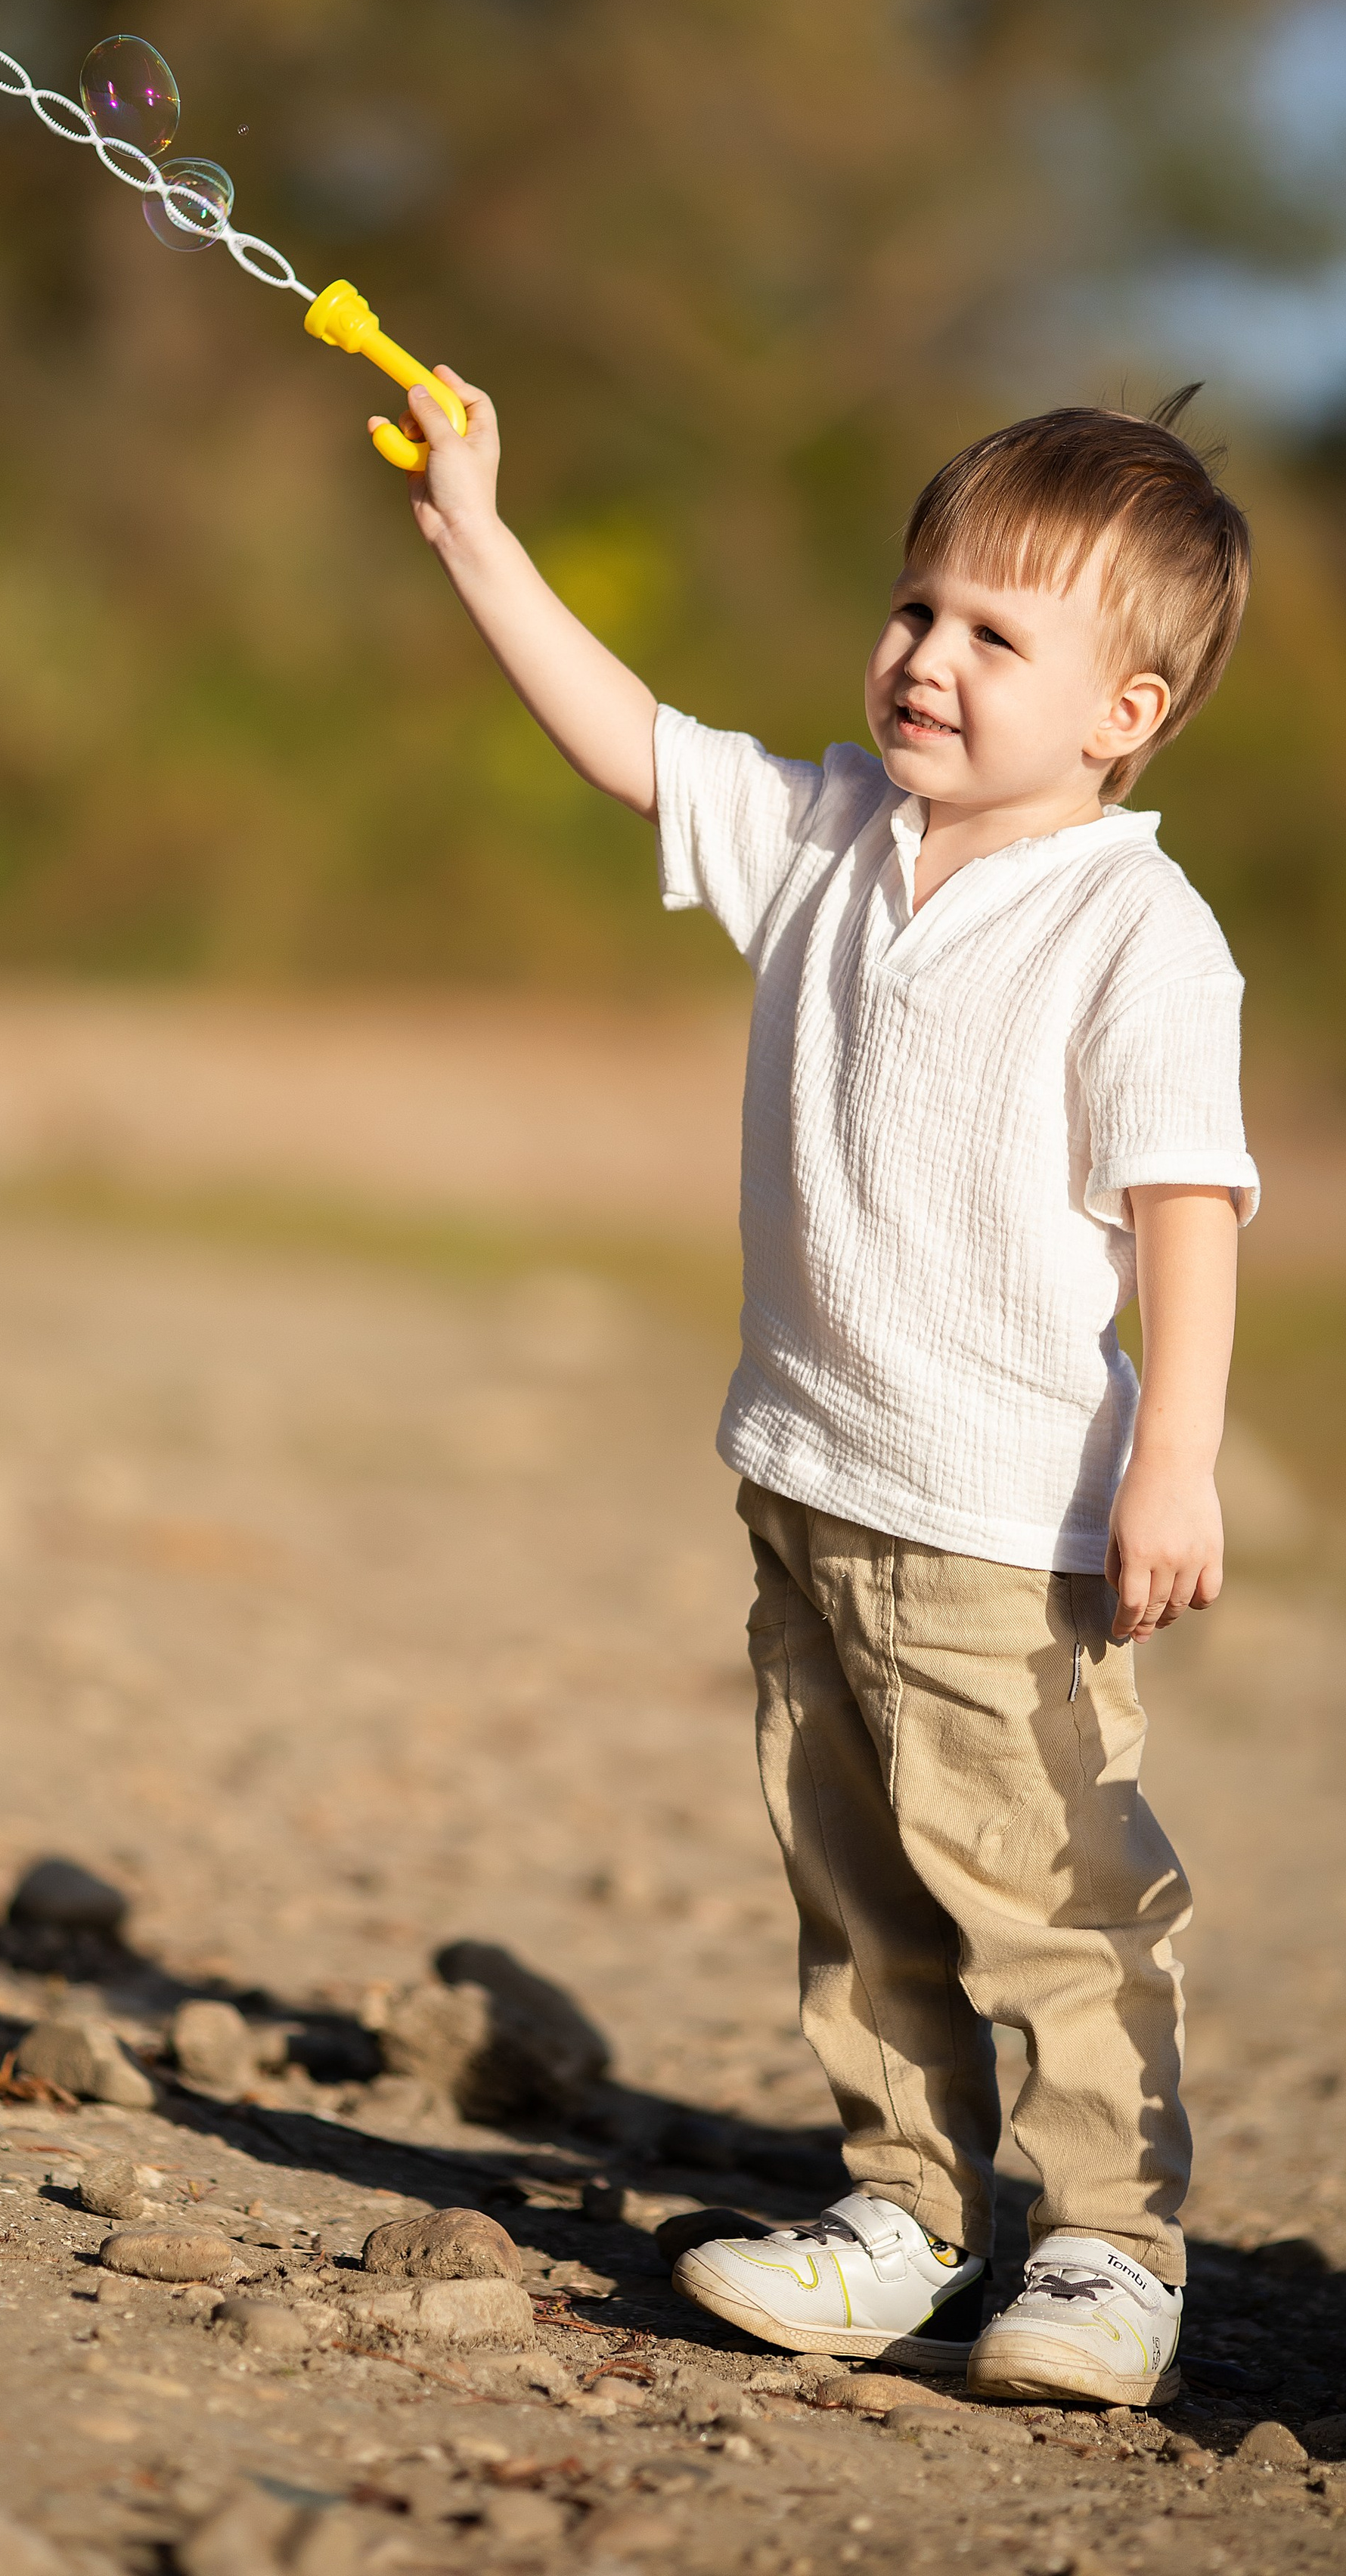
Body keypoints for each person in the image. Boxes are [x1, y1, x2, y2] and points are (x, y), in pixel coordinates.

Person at [377, 369, 1256, 2408]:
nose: (925, 657)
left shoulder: (1135, 927)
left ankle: (1112, 2251)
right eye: (914, 609)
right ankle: (907, 2209)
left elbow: (1189, 1198)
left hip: (1006, 1517)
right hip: (811, 1481)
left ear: (1124, 711)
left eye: (994, 636)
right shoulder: (836, 836)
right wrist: (479, 538)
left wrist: (1181, 1463)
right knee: (855, 1892)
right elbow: (634, 750)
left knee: (1046, 1898)